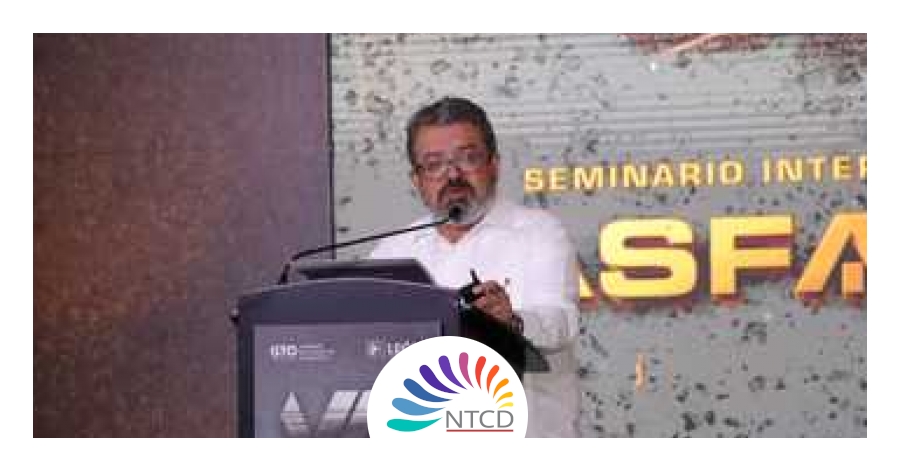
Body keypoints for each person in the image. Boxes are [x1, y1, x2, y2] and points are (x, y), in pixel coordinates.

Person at [370, 97, 581, 437]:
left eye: (467, 158)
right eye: (434, 164)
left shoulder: (538, 232)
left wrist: (512, 320)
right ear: (417, 180)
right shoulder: (393, 251)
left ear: (494, 164)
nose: (453, 175)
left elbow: (562, 321)